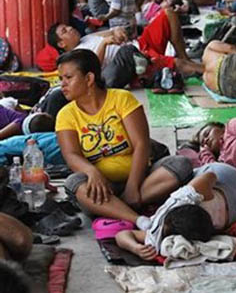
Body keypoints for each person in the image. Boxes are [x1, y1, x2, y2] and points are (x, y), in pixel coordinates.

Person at [55, 50, 193, 227]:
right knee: (74, 183)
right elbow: (71, 155)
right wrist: (92, 172)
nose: (63, 84)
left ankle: (114, 208)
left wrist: (133, 186)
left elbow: (141, 144)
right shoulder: (65, 115)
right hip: (103, 186)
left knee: (181, 164)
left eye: (68, 78)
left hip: (142, 179)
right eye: (61, 79)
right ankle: (139, 219)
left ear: (89, 79)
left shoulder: (122, 98)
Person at [115, 163, 236, 260]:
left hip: (234, 187)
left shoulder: (185, 202)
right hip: (234, 188)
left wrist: (135, 248)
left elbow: (121, 235)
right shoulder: (191, 195)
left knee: (186, 177)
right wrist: (135, 248)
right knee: (189, 178)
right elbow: (211, 175)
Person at [47, 3, 203, 76]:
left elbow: (111, 31)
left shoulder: (87, 37)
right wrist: (104, 43)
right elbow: (93, 67)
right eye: (65, 31)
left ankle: (184, 55)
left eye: (68, 27)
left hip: (140, 43)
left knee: (169, 13)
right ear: (61, 43)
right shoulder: (74, 57)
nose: (70, 29)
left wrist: (118, 31)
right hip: (137, 60)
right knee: (178, 64)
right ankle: (209, 72)